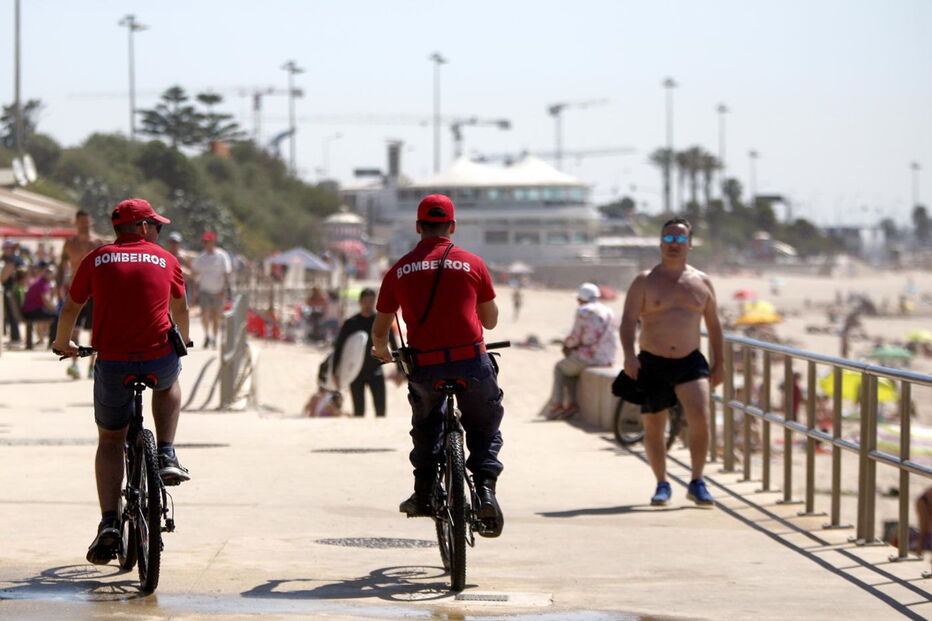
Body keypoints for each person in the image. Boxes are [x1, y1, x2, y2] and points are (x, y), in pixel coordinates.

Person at [52, 198, 191, 566]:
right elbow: (181, 308)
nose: (157, 231)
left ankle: (110, 521)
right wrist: (186, 339)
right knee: (169, 380)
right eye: (156, 225)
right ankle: (166, 451)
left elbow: (70, 307)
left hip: (112, 360)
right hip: (157, 356)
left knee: (110, 439)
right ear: (143, 227)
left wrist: (62, 343)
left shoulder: (96, 258)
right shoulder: (166, 259)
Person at [370, 193, 505, 537]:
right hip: (470, 363)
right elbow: (490, 323)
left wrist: (382, 351)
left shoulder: (399, 269)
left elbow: (381, 328)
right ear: (452, 226)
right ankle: (486, 490)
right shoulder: (472, 263)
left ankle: (424, 493)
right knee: (484, 423)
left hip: (426, 367)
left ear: (418, 227)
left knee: (426, 425)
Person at [620, 217, 724, 507]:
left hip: (690, 361)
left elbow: (714, 326)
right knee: (654, 424)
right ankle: (662, 483)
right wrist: (629, 355)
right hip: (653, 360)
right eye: (668, 238)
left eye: (680, 239)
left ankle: (697, 481)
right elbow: (628, 321)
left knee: (701, 417)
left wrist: (720, 363)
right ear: (660, 243)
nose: (674, 244)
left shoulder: (702, 282)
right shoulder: (644, 281)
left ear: (689, 244)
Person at [545, 282, 618, 420]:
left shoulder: (584, 310)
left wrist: (566, 346)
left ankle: (557, 406)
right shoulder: (608, 310)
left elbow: (575, 336)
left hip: (591, 356)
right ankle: (571, 404)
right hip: (608, 357)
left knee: (560, 367)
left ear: (581, 298)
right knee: (572, 369)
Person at [332, 288, 397, 417]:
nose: (368, 304)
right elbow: (339, 348)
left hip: (376, 370)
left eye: (371, 301)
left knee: (381, 412)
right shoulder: (351, 323)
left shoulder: (380, 321)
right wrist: (335, 372)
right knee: (358, 412)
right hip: (356, 372)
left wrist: (400, 370)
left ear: (375, 302)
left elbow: (394, 344)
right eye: (365, 301)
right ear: (360, 302)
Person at [57, 210, 106, 378]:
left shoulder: (98, 242)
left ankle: (92, 365)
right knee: (75, 330)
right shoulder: (70, 243)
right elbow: (62, 266)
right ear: (76, 223)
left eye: (88, 222)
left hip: (95, 292)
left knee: (94, 332)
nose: (86, 225)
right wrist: (58, 286)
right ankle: (75, 363)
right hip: (76, 291)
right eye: (83, 222)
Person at [192, 231, 231, 348]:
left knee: (216, 316)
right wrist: (195, 290)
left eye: (207, 242)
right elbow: (194, 272)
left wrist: (224, 290)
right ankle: (207, 335)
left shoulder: (222, 255)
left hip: (218, 290)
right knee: (204, 314)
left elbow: (226, 273)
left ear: (213, 242)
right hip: (205, 290)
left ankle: (214, 337)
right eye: (204, 242)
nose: (205, 244)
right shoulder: (201, 257)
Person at [1, 239, 25, 343]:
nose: (8, 250)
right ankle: (14, 337)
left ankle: (16, 337)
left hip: (12, 290)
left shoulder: (14, 260)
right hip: (8, 289)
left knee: (13, 314)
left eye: (10, 248)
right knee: (10, 315)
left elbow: (4, 278)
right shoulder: (7, 259)